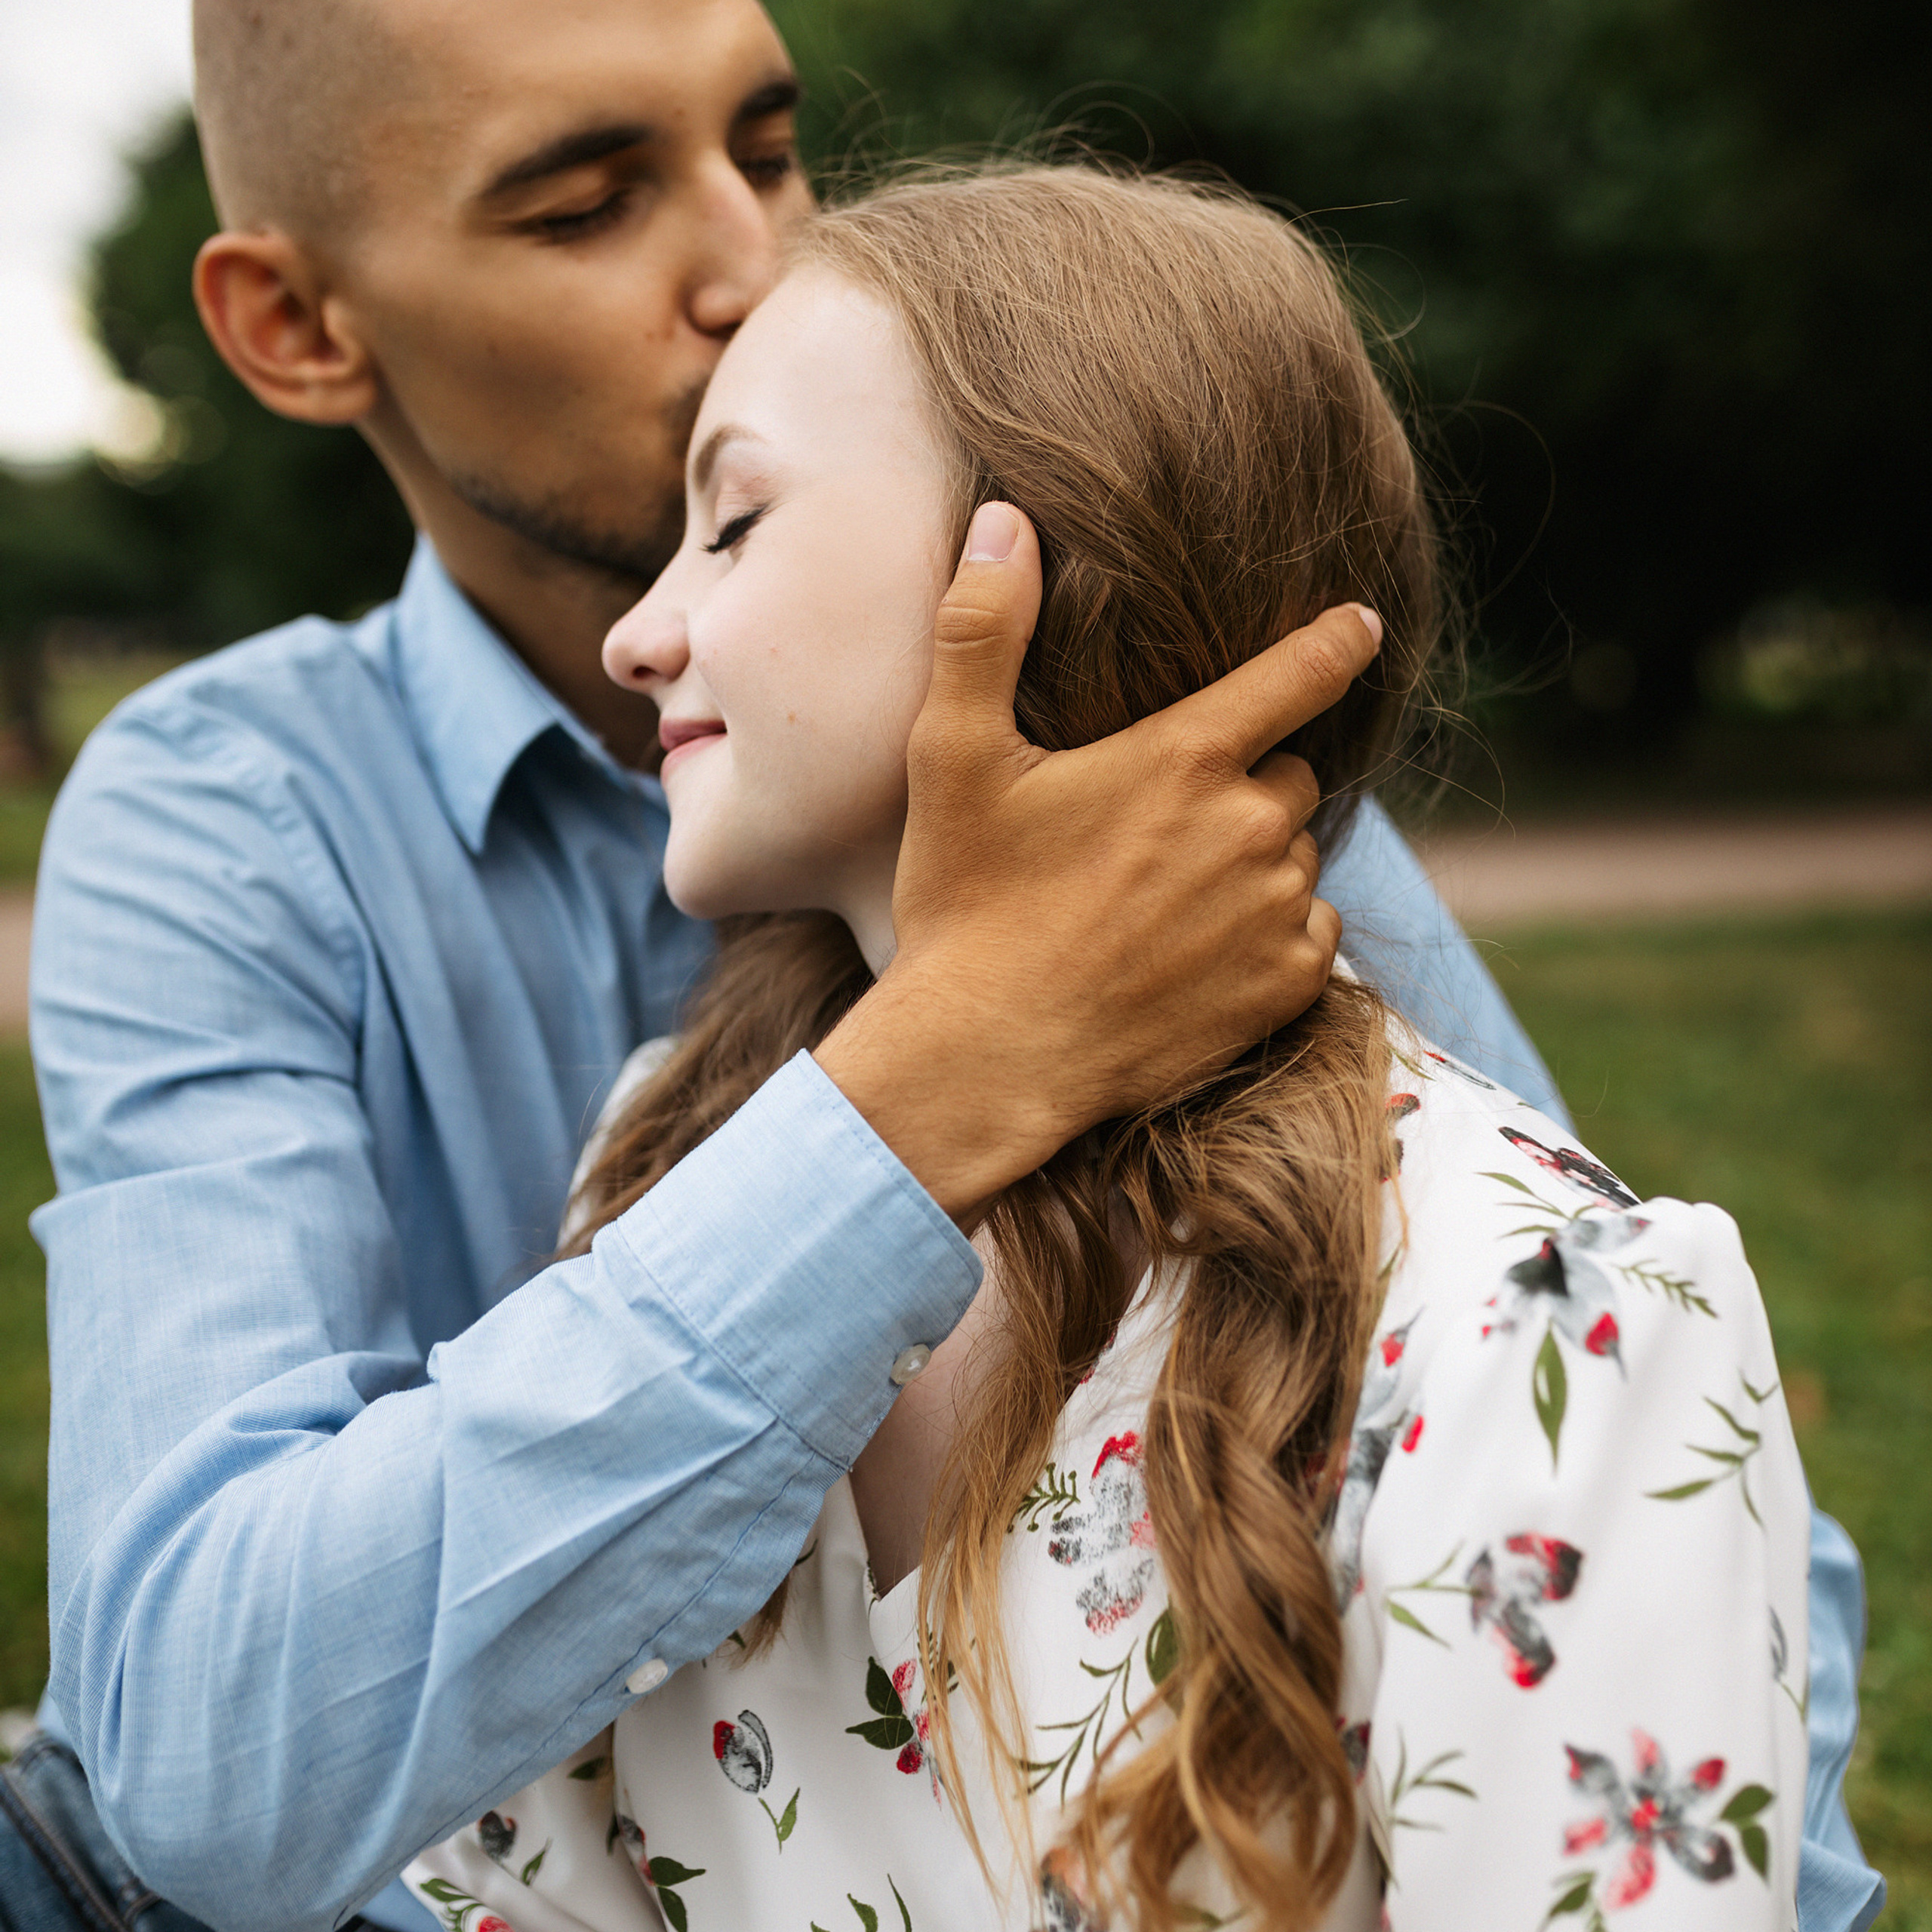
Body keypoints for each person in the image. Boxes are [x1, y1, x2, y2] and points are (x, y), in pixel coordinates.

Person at [0, 3, 1875, 1931]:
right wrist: (949, 1057)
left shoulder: (1197, 816)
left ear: (1034, 557)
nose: (750, 264)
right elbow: (208, 1770)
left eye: (768, 142)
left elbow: (1622, 1501)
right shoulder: (239, 822)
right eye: (583, 206)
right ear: (298, 328)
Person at [398, 162, 1814, 1932]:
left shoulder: (1534, 1308)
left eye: (735, 520)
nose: (635, 630)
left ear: (1036, 559)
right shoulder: (669, 1165)